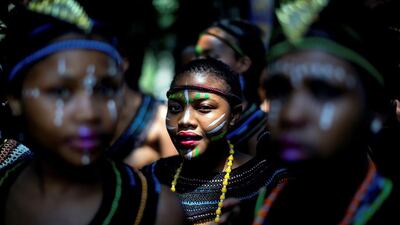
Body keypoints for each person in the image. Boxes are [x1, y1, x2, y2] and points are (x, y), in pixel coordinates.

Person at [0, 1, 184, 224]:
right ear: (15, 98)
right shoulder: (5, 175)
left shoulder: (155, 211)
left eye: (105, 89)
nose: (89, 114)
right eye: (60, 92)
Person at [253, 0, 399, 224]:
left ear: (377, 110)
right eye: (279, 91)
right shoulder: (257, 209)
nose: (291, 115)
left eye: (323, 92)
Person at [143, 58, 287, 225]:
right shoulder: (150, 178)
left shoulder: (269, 182)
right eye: (175, 108)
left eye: (204, 107)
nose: (185, 120)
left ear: (234, 115)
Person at [195, 19, 268, 156]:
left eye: (210, 56)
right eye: (197, 55)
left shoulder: (264, 131)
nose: (198, 63)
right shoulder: (189, 124)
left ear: (242, 63)